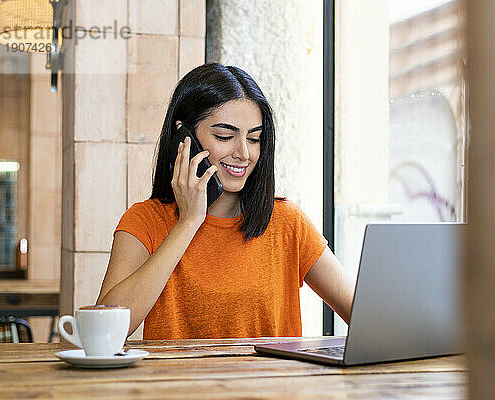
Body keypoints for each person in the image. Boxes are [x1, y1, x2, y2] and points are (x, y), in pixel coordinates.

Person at [97, 63, 355, 339]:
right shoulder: (146, 220)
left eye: (254, 138)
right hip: (175, 383)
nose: (243, 153)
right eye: (225, 136)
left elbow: (363, 313)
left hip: (271, 383)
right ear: (183, 137)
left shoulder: (288, 223)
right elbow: (104, 331)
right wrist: (188, 222)